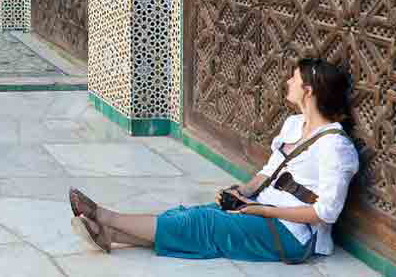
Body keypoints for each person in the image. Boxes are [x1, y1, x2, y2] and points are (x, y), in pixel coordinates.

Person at [68, 57, 359, 264]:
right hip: (261, 207)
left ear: (308, 90)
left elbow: (325, 213)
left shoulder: (336, 147)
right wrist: (242, 192)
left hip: (292, 235)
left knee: (204, 223)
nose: (288, 81)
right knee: (187, 214)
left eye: (293, 78)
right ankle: (110, 235)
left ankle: (105, 217)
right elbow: (269, 171)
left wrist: (261, 211)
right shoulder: (294, 125)